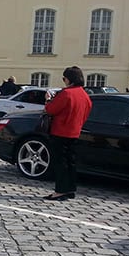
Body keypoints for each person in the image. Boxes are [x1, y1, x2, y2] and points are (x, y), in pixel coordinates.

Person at [43, 66, 92, 201]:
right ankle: (70, 188)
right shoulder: (84, 94)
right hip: (75, 132)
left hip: (61, 131)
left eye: (64, 78)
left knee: (60, 163)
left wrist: (48, 100)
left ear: (69, 79)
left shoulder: (67, 93)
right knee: (71, 162)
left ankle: (61, 190)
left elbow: (51, 110)